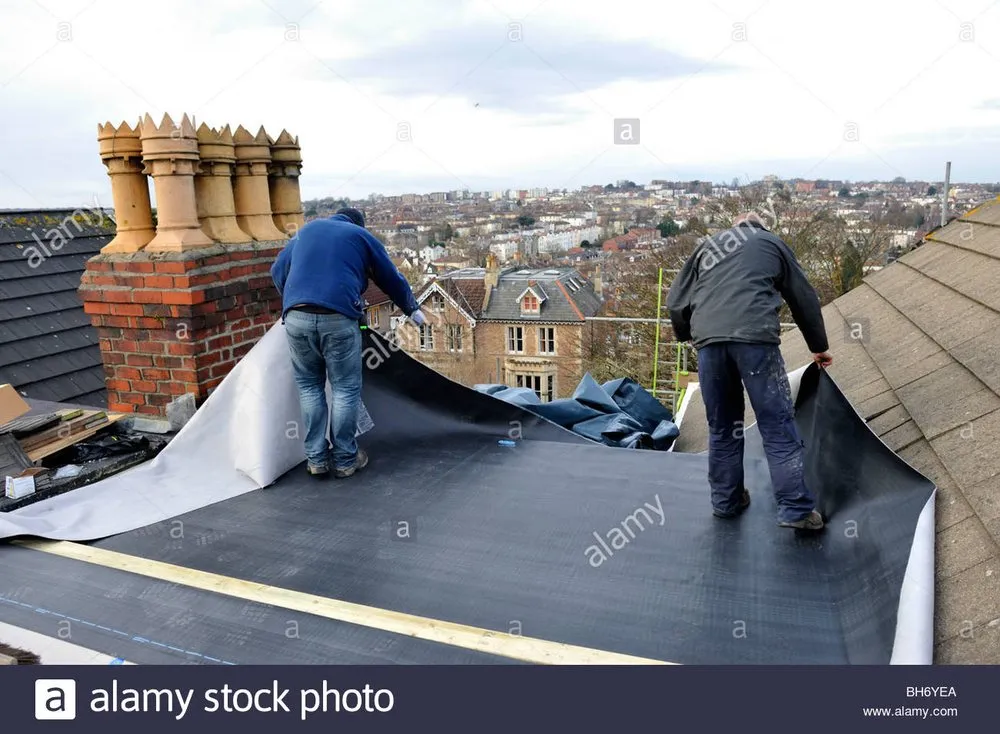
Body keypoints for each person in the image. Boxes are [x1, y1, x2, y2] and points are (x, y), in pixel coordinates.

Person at [666, 212, 831, 530]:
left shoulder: (709, 246)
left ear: (735, 226)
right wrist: (818, 346)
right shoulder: (772, 243)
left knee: (723, 427)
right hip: (755, 342)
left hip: (710, 346)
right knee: (777, 424)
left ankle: (726, 502)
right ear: (760, 227)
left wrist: (691, 334)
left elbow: (676, 300)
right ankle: (796, 510)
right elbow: (803, 298)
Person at [271, 207, 426, 479]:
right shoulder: (359, 235)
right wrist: (411, 308)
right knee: (344, 389)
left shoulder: (306, 230)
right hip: (337, 317)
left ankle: (316, 459)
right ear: (358, 224)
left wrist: (294, 298)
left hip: (296, 317)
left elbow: (277, 270)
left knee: (309, 387)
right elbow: (390, 276)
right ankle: (345, 459)